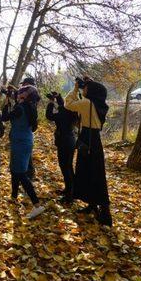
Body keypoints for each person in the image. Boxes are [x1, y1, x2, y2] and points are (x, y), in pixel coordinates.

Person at [64, 77, 112, 226]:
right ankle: (94, 205)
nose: (84, 89)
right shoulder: (98, 104)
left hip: (87, 138)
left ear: (91, 91)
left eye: (86, 88)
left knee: (88, 171)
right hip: (95, 139)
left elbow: (68, 104)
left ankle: (104, 213)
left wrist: (75, 89)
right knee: (95, 172)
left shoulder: (86, 103)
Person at [1, 84, 46, 219]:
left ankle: (37, 205)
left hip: (20, 142)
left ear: (25, 96)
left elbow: (5, 117)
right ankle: (14, 197)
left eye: (21, 93)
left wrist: (6, 104)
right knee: (15, 170)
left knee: (20, 173)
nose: (18, 94)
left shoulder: (20, 108)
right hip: (24, 140)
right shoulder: (30, 107)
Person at [46, 91, 78, 203]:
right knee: (68, 167)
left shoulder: (63, 114)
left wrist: (51, 102)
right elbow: (63, 106)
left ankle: (69, 196)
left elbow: (49, 115)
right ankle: (71, 190)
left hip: (64, 142)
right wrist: (58, 97)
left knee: (65, 167)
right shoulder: (72, 112)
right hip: (70, 140)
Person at [20, 77, 37, 179]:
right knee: (27, 151)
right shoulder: (32, 96)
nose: (22, 86)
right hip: (27, 128)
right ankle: (28, 172)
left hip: (25, 128)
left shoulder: (31, 98)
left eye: (24, 85)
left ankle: (29, 173)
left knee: (27, 151)